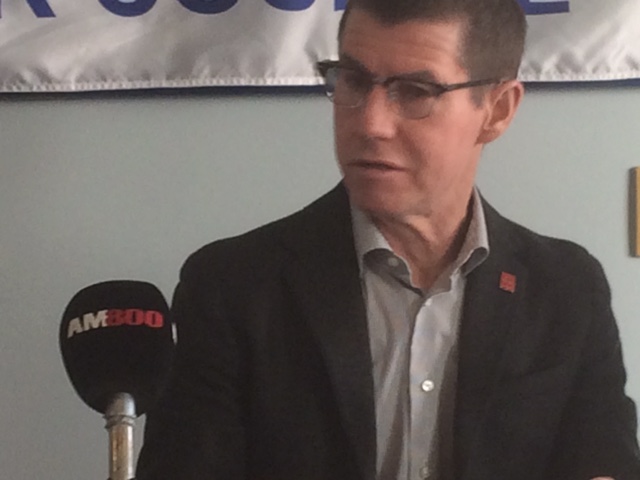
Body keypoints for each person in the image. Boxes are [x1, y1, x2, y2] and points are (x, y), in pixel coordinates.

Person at [136, 0, 640, 479]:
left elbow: (605, 455)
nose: (370, 123)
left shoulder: (567, 288)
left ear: (497, 110)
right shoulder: (232, 286)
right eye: (354, 80)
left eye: (415, 92)